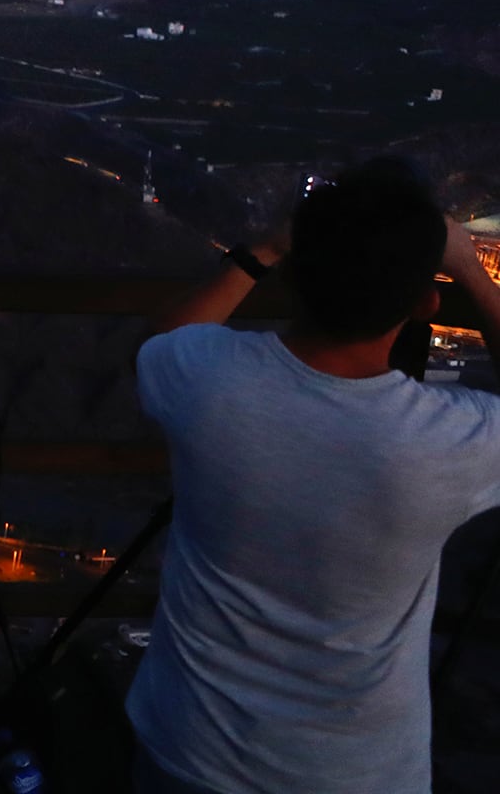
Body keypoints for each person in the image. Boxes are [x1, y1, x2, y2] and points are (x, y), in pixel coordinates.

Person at [128, 159, 500, 794]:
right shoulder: (450, 442)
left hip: (190, 742)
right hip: (356, 768)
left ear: (296, 274)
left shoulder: (207, 380)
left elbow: (163, 341)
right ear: (426, 302)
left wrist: (266, 248)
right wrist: (468, 266)